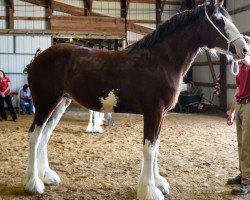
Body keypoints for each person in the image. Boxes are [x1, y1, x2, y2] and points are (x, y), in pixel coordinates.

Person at [227, 37, 250, 195]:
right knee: (241, 144)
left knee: (248, 145)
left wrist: (244, 52)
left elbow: (248, 60)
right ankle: (243, 175)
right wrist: (232, 111)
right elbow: (237, 90)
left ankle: (248, 182)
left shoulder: (247, 63)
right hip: (241, 104)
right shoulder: (240, 66)